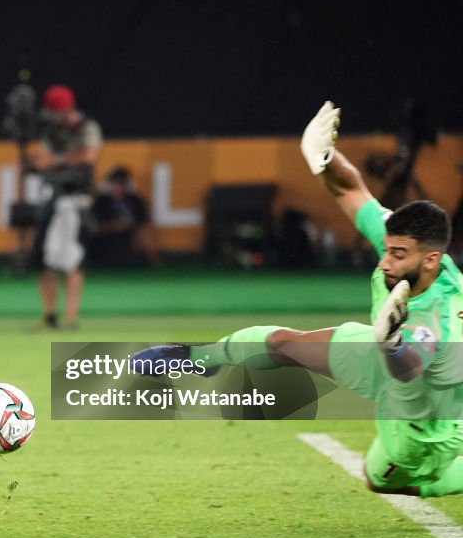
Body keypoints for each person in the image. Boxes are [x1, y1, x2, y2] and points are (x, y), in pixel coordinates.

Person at [134, 101, 463, 498]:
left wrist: (393, 345)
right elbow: (350, 188)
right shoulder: (408, 251)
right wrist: (322, 158)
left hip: (425, 418)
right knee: (283, 344)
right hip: (381, 352)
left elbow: (411, 368)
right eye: (387, 248)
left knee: (384, 481)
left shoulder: (441, 314)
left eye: (397, 254)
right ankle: (199, 358)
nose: (385, 260)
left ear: (431, 260)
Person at [26, 84, 101, 329]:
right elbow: (41, 161)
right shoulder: (50, 131)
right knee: (42, 258)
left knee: (73, 259)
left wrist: (56, 160)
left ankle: (71, 317)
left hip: (76, 200)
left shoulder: (86, 128)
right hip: (52, 198)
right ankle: (49, 316)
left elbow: (88, 157)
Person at [89, 166, 159, 269]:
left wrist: (127, 226)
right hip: (104, 240)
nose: (117, 187)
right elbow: (93, 225)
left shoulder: (135, 200)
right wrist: (112, 226)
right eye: (114, 183)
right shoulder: (101, 201)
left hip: (128, 239)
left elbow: (143, 223)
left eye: (121, 183)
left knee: (144, 232)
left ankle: (154, 262)